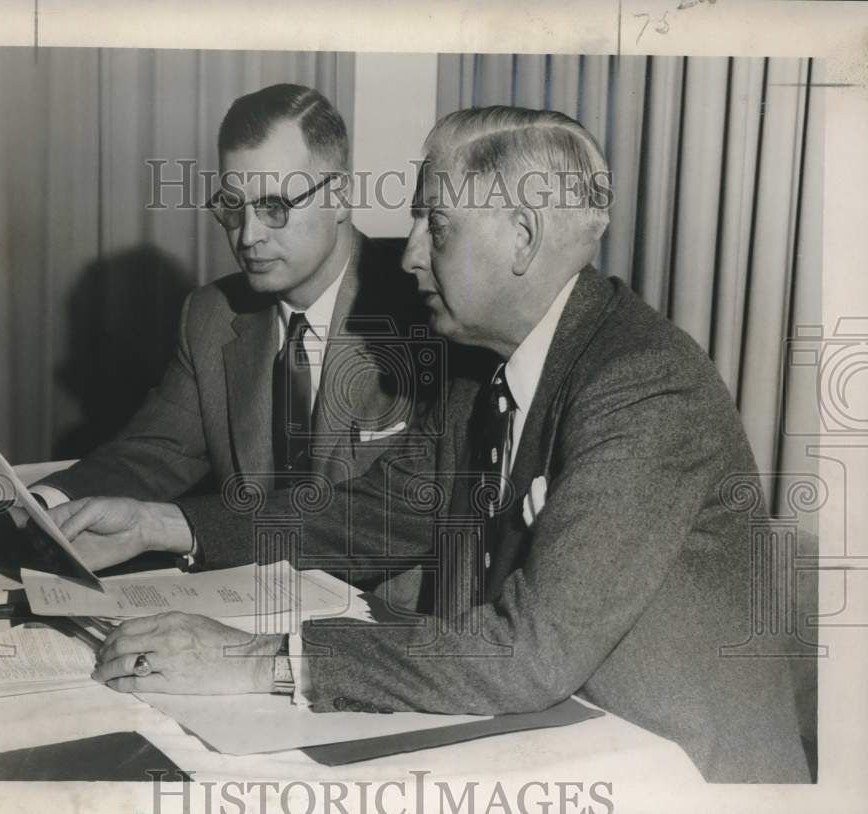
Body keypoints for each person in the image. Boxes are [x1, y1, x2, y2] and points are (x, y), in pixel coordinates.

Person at [52, 107, 809, 783]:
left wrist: (252, 660)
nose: (409, 254)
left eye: (435, 228)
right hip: (553, 736)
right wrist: (167, 525)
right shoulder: (484, 366)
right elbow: (373, 517)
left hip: (679, 769)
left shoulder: (644, 386)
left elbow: (526, 655)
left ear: (523, 236)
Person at [32, 83, 437, 565]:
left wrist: (173, 527)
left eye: (274, 207)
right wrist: (45, 506)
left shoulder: (427, 310)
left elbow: (392, 515)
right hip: (242, 598)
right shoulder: (212, 314)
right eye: (232, 207)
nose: (248, 236)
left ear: (341, 196)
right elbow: (156, 451)